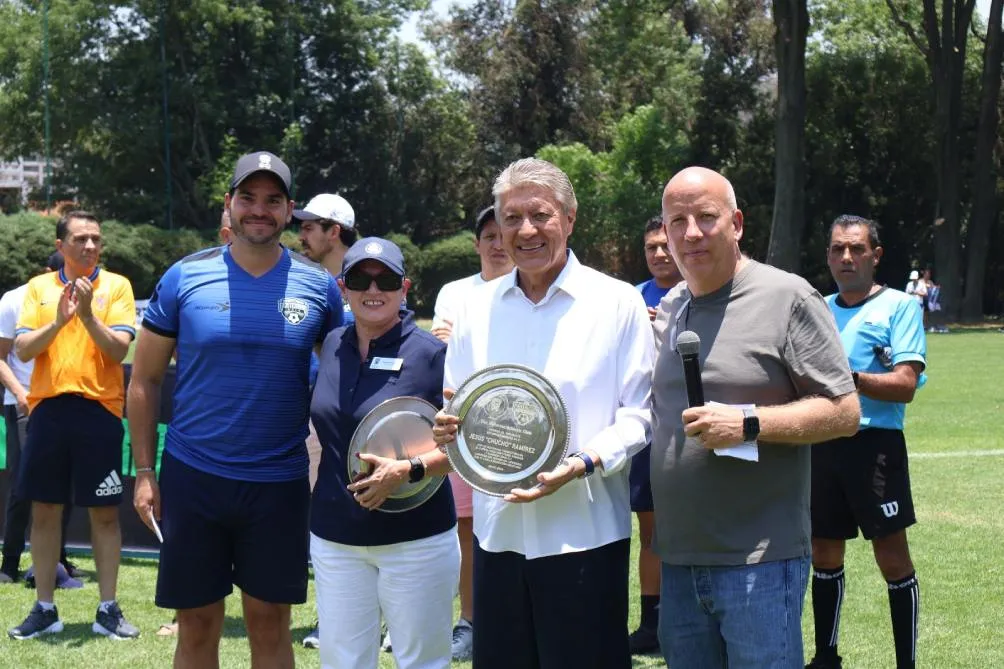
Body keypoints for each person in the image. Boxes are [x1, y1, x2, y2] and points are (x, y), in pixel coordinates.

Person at [432, 157, 654, 669]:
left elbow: (638, 416)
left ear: (570, 219)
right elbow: (461, 406)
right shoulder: (474, 309)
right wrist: (450, 429)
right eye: (511, 218)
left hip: (584, 533)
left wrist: (582, 463)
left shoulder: (616, 302)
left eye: (540, 215)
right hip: (499, 534)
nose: (525, 230)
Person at [127, 151, 344, 668]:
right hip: (194, 476)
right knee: (198, 625)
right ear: (230, 204)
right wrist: (142, 472)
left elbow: (342, 380)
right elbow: (145, 379)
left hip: (278, 481)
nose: (259, 210)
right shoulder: (184, 277)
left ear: (289, 210)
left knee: (270, 624)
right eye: (248, 198)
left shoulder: (318, 288)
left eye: (273, 200)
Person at [650, 166, 860, 668]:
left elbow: (844, 410)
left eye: (705, 217)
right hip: (677, 561)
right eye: (677, 220)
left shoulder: (786, 297)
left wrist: (748, 423)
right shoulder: (673, 304)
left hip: (759, 563)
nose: (690, 233)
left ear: (737, 222)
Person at [310, 237, 460, 669]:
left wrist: (411, 469)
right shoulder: (332, 345)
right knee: (343, 662)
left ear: (405, 287)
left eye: (386, 280)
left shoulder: (432, 355)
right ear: (342, 287)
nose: (372, 290)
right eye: (360, 278)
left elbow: (467, 450)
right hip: (336, 539)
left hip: (417, 540)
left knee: (422, 662)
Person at [8, 211, 139, 640]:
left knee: (104, 513)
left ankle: (108, 609)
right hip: (47, 411)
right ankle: (44, 608)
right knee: (44, 510)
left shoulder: (117, 286)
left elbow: (119, 350)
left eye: (96, 239)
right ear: (61, 245)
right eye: (80, 239)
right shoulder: (38, 288)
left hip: (99, 412)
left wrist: (85, 316)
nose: (90, 246)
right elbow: (23, 349)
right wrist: (61, 319)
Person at [806, 215, 926, 669]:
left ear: (876, 255)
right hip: (821, 442)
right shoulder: (817, 307)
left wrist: (850, 378)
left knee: (892, 558)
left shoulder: (900, 307)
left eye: (856, 249)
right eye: (837, 249)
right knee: (824, 551)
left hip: (875, 446)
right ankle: (825, 656)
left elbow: (906, 384)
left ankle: (906, 663)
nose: (846, 257)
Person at [428, 204, 513, 661]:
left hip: (514, 431)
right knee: (466, 528)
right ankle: (470, 621)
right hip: (462, 426)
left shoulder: (531, 293)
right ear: (477, 243)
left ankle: (504, 619)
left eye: (505, 234)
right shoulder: (456, 292)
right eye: (489, 236)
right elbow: (441, 349)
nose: (498, 244)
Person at [294, 191, 358, 651]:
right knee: (328, 517)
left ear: (334, 231)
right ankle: (332, 615)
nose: (301, 234)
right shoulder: (312, 282)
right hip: (320, 414)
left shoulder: (370, 276)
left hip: (366, 417)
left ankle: (381, 617)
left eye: (310, 226)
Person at [0, 254, 79, 586]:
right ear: (48, 272)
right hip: (23, 402)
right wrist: (21, 394)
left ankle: (54, 562)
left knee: (64, 485)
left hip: (65, 401)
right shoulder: (14, 300)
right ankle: (10, 562)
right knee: (24, 485)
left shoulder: (82, 300)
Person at [627, 214, 682, 654]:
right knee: (651, 529)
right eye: (652, 248)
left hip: (687, 428)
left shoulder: (698, 290)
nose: (660, 254)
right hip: (645, 429)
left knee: (689, 525)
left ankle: (689, 620)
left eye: (666, 245)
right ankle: (652, 621)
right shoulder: (630, 300)